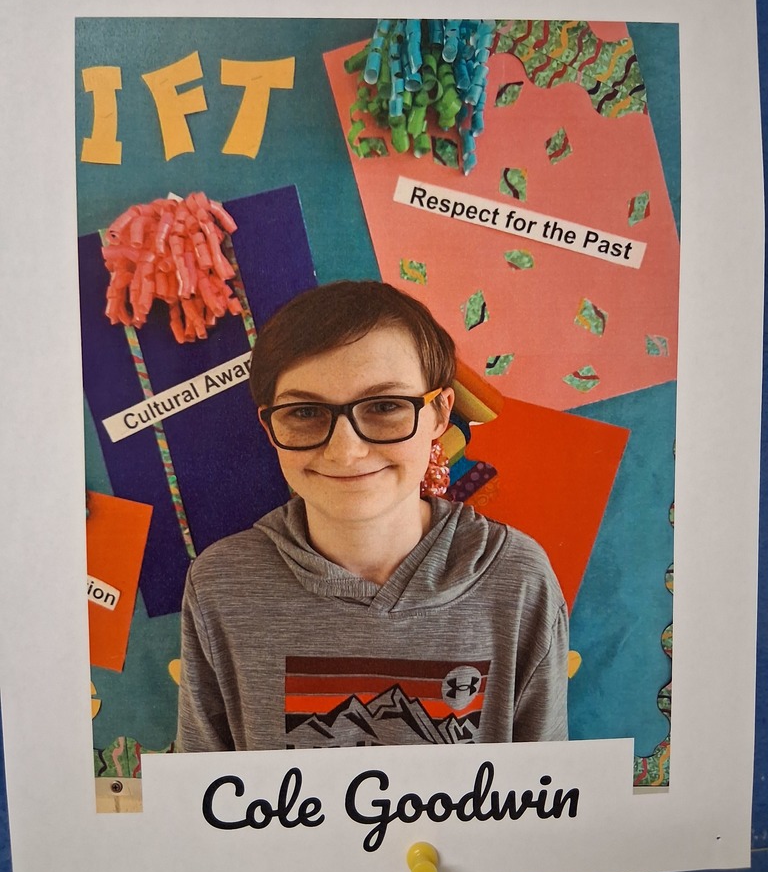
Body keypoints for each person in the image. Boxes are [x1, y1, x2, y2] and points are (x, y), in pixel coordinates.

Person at [177, 280, 568, 752]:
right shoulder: (222, 586)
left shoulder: (518, 580)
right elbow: (203, 781)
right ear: (269, 425)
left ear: (440, 414)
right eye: (305, 413)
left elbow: (545, 782)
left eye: (385, 406)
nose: (346, 451)